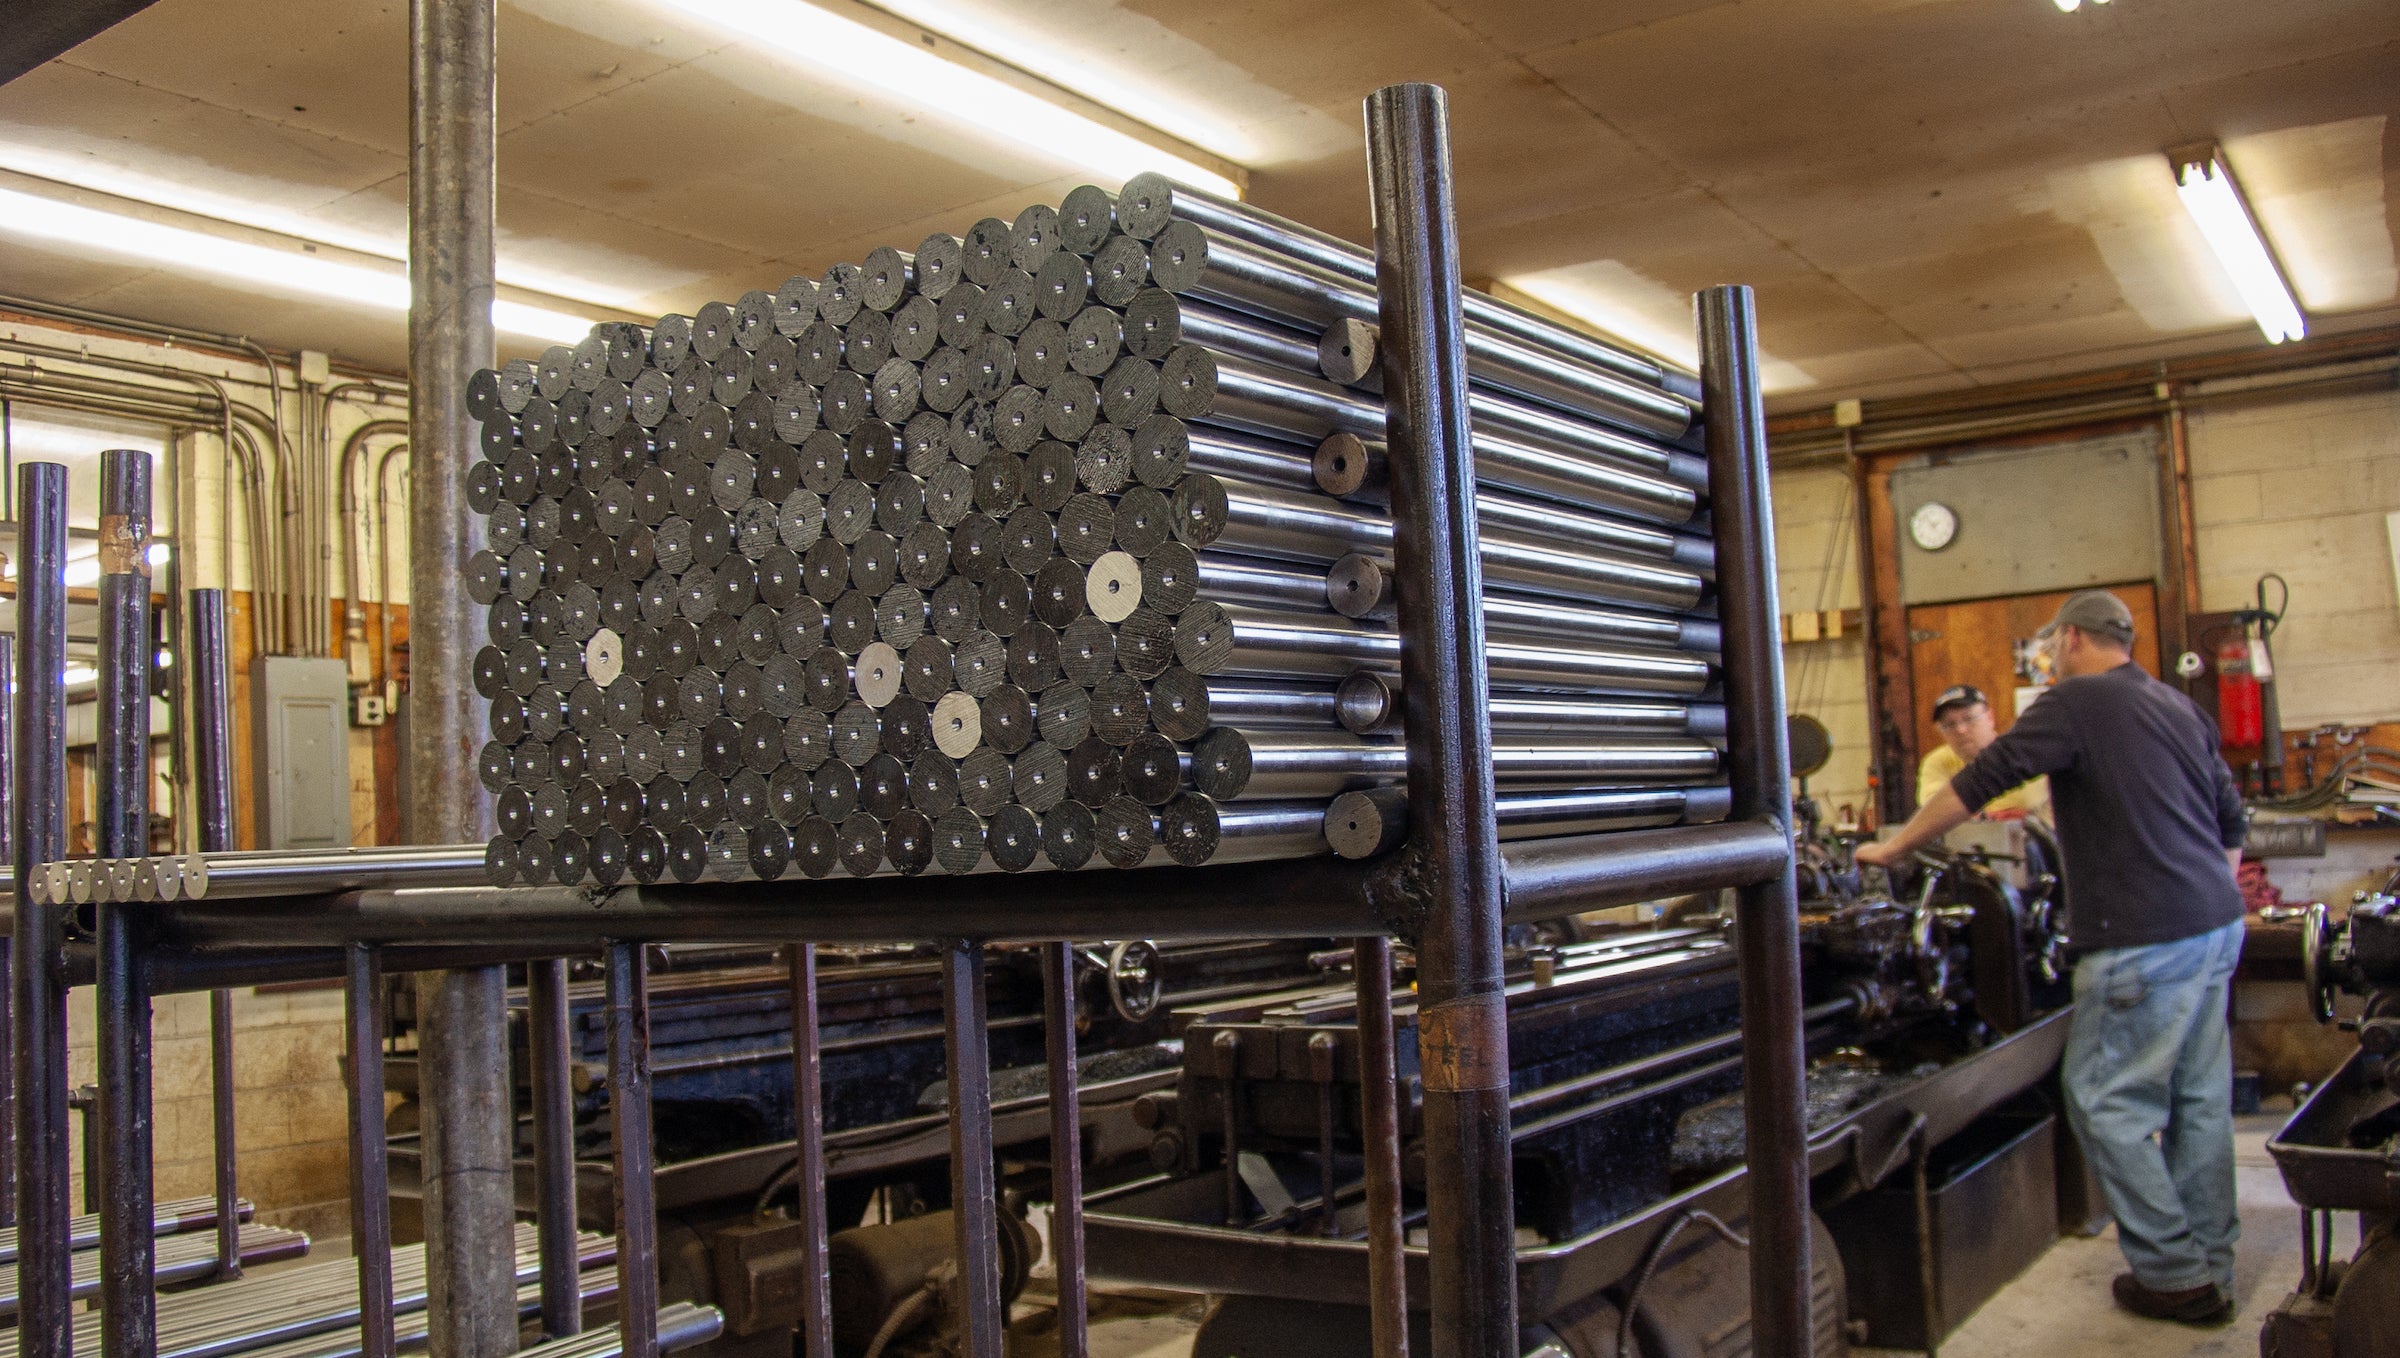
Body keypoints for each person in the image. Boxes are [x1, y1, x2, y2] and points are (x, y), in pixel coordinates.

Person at [1856, 590, 2246, 1327]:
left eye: (2049, 648)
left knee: (2105, 1103)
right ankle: (2211, 1264)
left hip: (2141, 941)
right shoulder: (2176, 706)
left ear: (2070, 639)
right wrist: (2201, 897)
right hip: (2214, 928)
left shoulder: (2072, 703)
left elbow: (1981, 780)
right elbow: (2232, 819)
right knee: (2198, 1102)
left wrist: (1895, 846)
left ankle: (2175, 1276)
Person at [1916, 684, 2049, 819]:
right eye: (1950, 725)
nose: (1961, 730)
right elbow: (1934, 810)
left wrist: (1968, 816)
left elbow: (2025, 802)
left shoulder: (2018, 753)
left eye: (1969, 718)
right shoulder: (1937, 761)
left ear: (1990, 718)